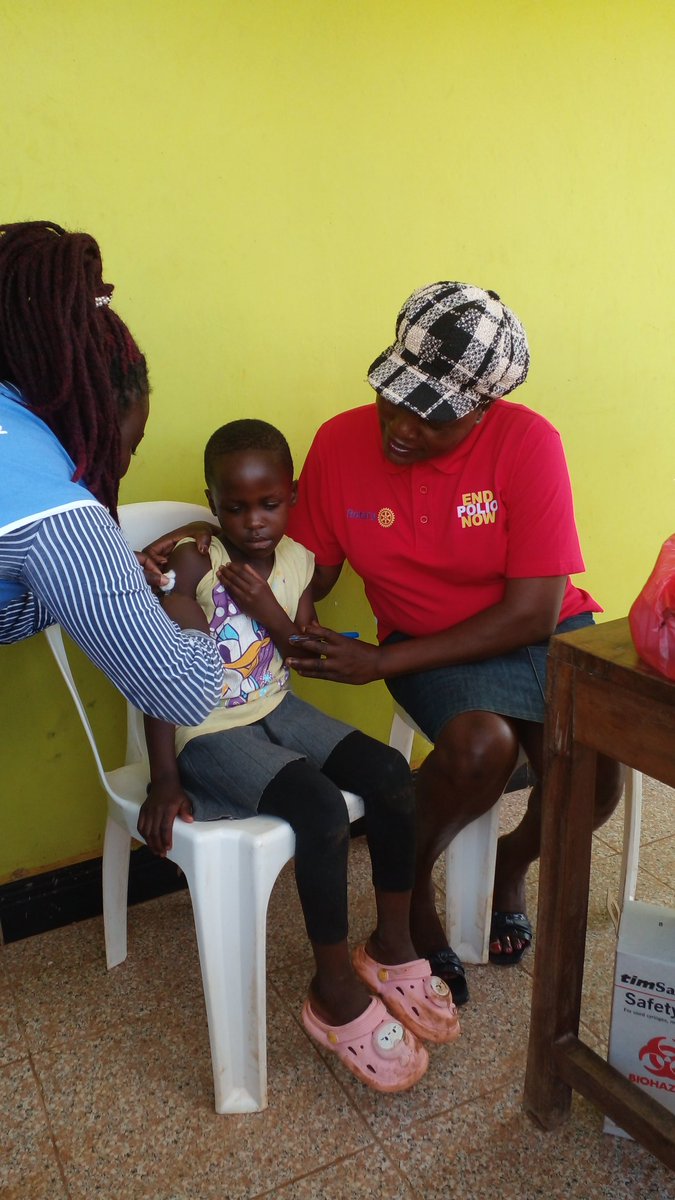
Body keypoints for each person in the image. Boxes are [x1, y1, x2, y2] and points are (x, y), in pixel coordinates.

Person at [285, 281, 623, 1005]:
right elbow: (307, 566)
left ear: (481, 408)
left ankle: (509, 865)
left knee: (592, 780)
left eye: (432, 416)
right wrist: (273, 594)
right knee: (479, 747)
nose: (401, 427)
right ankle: (410, 901)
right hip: (427, 634)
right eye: (392, 397)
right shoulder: (339, 442)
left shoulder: (528, 443)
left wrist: (377, 664)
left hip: (540, 630)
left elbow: (534, 612)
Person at [137, 418, 461, 1093]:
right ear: (213, 502)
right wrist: (164, 777)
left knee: (390, 775)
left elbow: (301, 652)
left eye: (270, 503)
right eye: (235, 506)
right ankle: (334, 986)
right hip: (209, 729)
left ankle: (391, 945)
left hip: (278, 706)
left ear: (292, 497)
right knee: (319, 812)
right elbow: (162, 673)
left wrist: (273, 615)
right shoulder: (195, 564)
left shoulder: (297, 561)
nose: (254, 521)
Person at [0, 220, 223, 725]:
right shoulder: (56, 518)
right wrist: (184, 600)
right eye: (129, 445)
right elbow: (186, 693)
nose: (122, 465)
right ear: (94, 421)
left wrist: (105, 581)